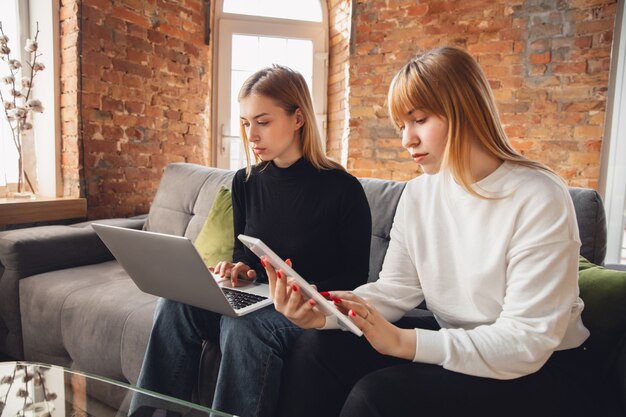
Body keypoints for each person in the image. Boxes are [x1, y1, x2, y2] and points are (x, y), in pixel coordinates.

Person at [263, 47, 592, 417]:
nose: (407, 140)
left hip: (539, 367)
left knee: (377, 397)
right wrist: (323, 313)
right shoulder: (419, 194)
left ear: (465, 110)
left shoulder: (538, 195)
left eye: (418, 119)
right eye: (401, 126)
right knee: (316, 348)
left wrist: (405, 342)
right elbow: (394, 289)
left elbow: (526, 341)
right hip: (461, 345)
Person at [135, 65, 372, 417]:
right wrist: (240, 269)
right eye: (246, 123)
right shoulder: (246, 181)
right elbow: (244, 252)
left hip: (306, 306)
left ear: (298, 118)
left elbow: (356, 279)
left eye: (262, 122)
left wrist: (300, 289)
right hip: (259, 295)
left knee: (243, 325)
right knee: (174, 304)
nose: (251, 135)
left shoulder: (343, 190)